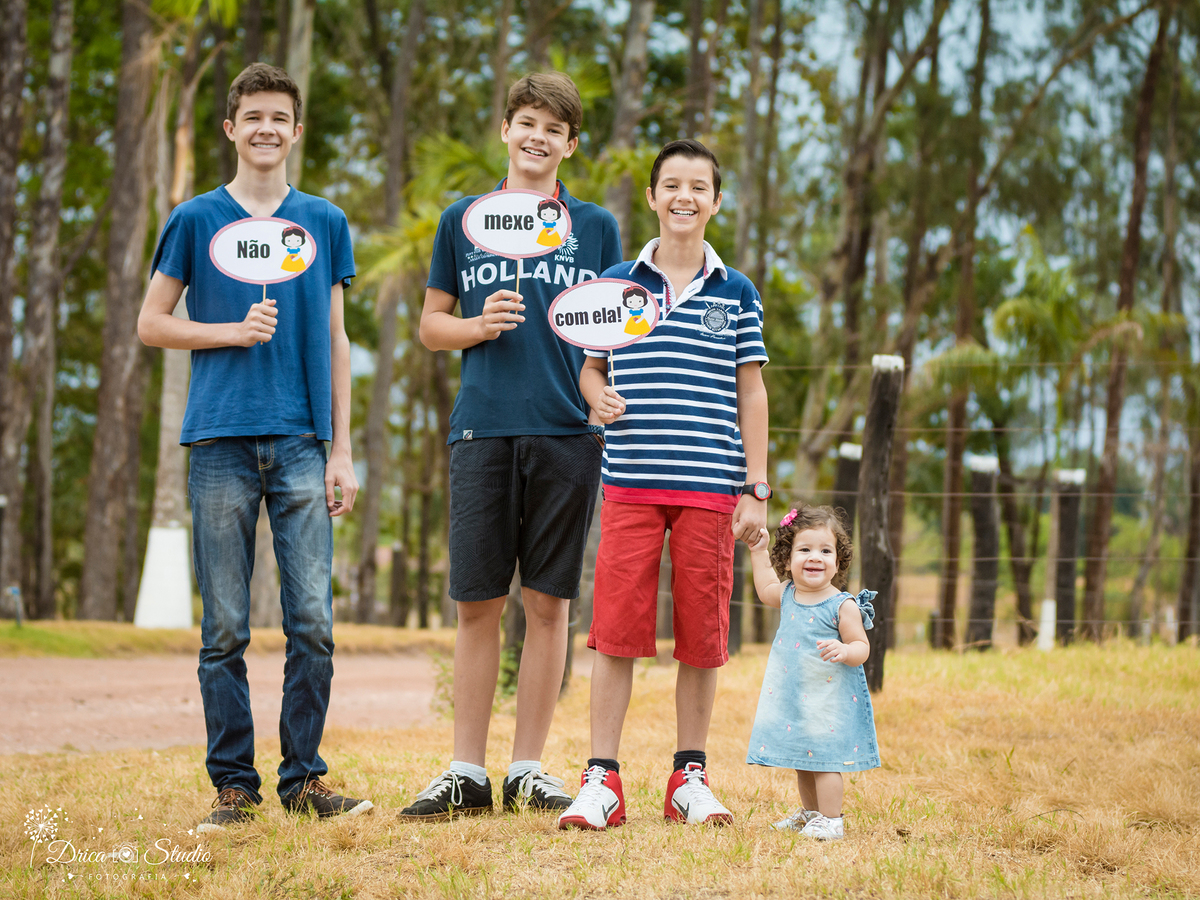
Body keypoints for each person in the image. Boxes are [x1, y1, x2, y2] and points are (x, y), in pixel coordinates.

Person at [138, 63, 371, 833]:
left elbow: (337, 340)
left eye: (281, 116)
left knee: (312, 623)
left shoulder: (324, 223)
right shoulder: (196, 219)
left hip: (305, 442)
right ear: (231, 128)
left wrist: (340, 448)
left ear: (295, 131)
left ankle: (304, 781)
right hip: (220, 442)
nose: (267, 128)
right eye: (253, 116)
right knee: (225, 629)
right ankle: (233, 787)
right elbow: (152, 323)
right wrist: (228, 331)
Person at [401, 73, 622, 821]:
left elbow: (610, 336)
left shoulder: (594, 227)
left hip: (567, 431)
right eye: (526, 122)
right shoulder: (460, 219)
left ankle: (528, 768)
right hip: (482, 427)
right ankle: (465, 770)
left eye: (554, 129)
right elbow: (431, 325)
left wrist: (603, 400)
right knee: (477, 604)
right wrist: (476, 324)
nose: (538, 137)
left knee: (549, 604)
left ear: (571, 144)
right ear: (505, 129)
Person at [557, 139, 770, 831]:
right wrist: (596, 395)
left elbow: (752, 389)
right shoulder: (618, 285)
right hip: (630, 486)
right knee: (615, 635)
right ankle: (602, 781)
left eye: (698, 186)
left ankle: (690, 776)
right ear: (652, 197)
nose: (684, 196)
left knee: (703, 639)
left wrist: (755, 485)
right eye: (671, 184)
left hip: (712, 489)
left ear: (714, 200)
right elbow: (591, 370)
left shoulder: (736, 292)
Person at [744, 504, 881, 841]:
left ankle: (832, 819)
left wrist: (846, 651)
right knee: (802, 758)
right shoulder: (789, 594)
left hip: (827, 699)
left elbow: (861, 647)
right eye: (804, 550)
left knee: (826, 759)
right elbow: (764, 589)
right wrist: (758, 551)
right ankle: (812, 813)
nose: (814, 557)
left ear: (838, 561)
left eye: (825, 550)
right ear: (788, 558)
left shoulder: (841, 605)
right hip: (795, 696)